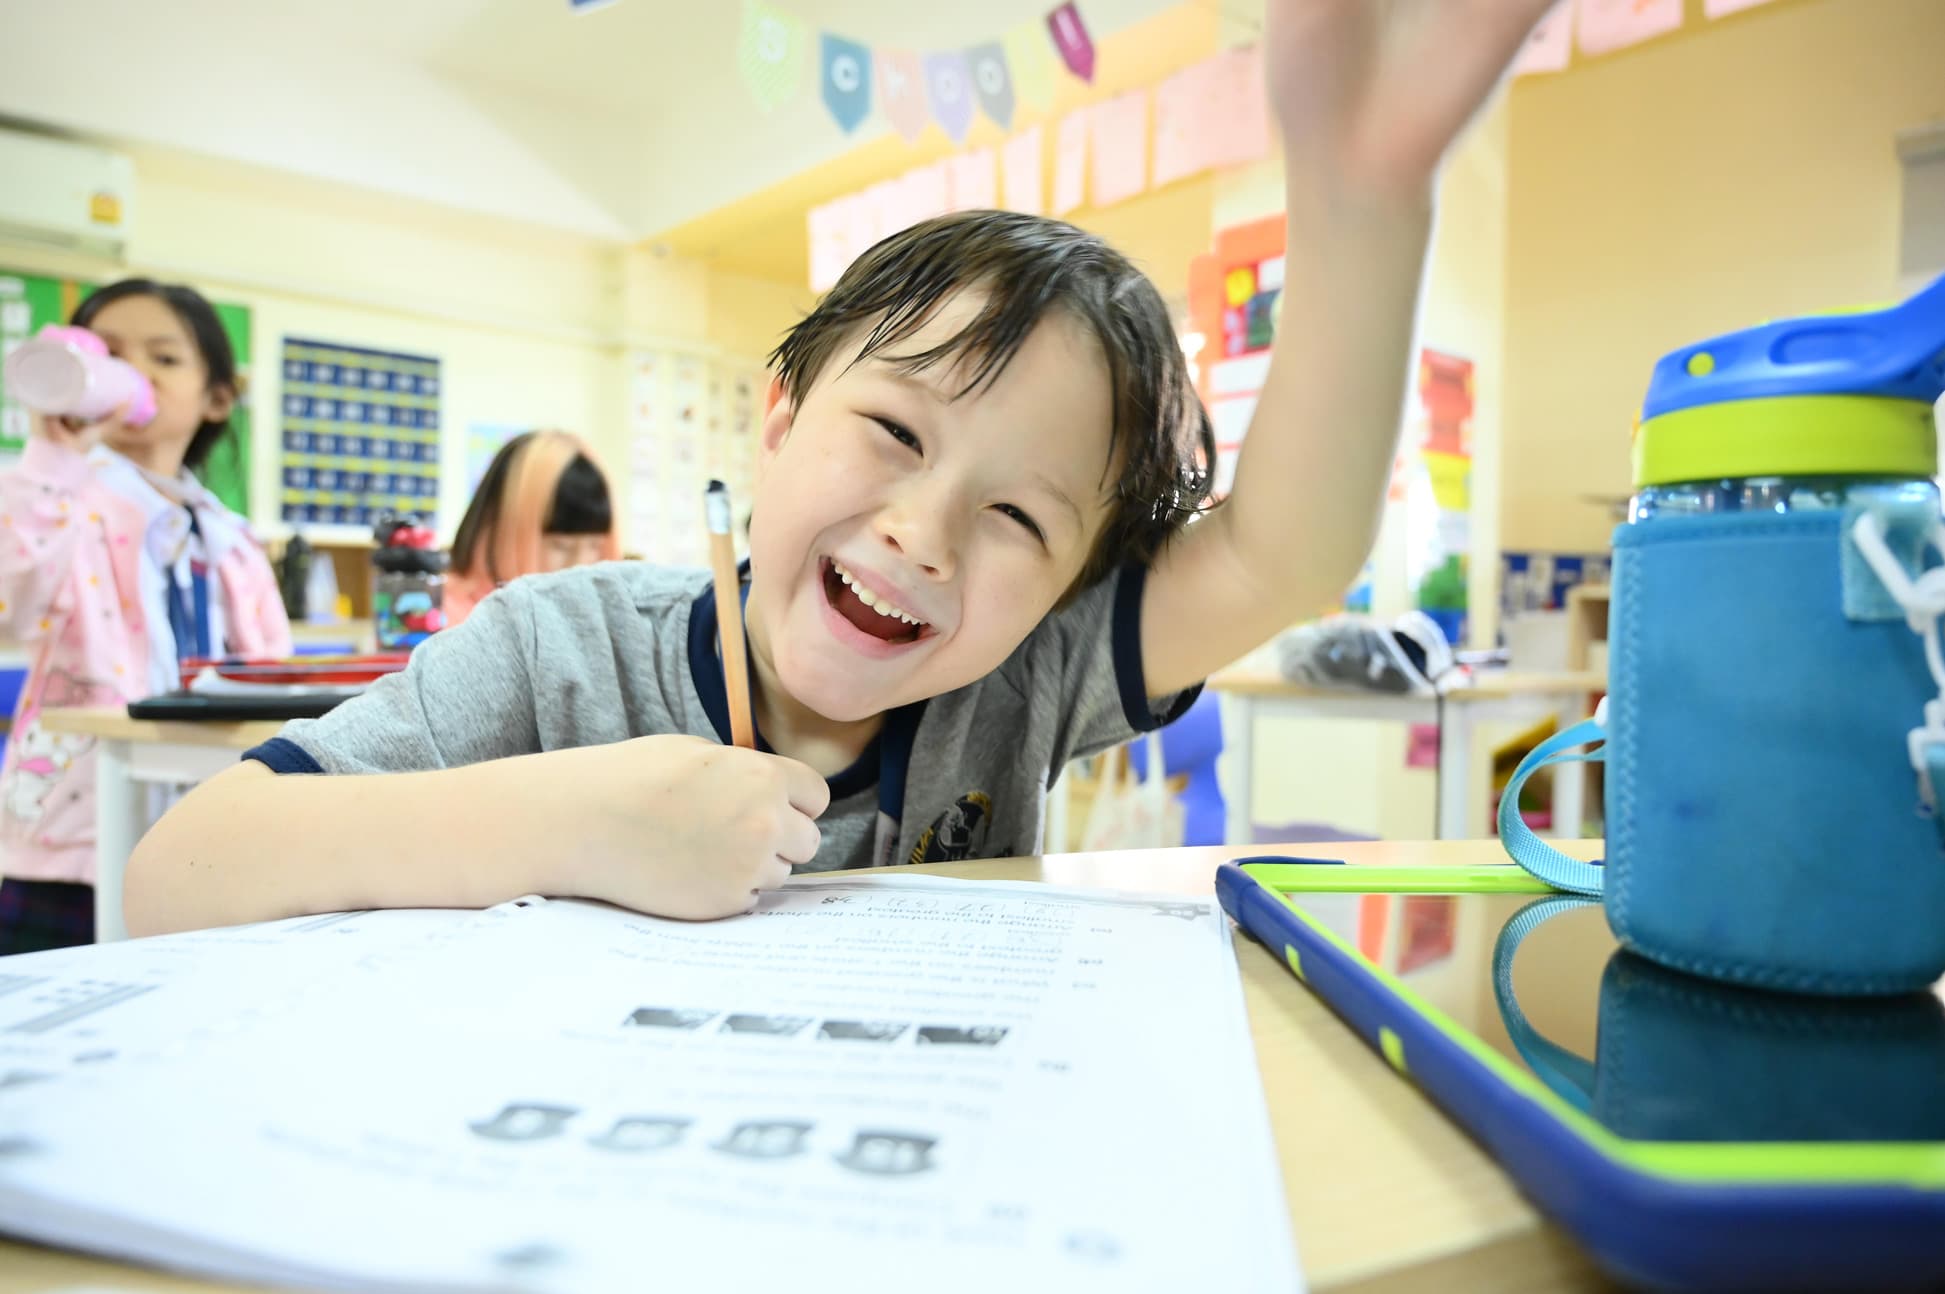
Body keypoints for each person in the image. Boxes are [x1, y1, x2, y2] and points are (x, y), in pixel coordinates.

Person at [125, 0, 1555, 934]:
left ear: (1069, 580)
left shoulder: (1019, 677)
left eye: (1017, 516)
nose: (927, 532)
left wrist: (1364, 199)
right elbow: (180, 872)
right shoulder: (554, 652)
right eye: (893, 431)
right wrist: (575, 818)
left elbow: (1281, 553)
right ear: (781, 413)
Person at [0, 279, 291, 953]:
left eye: (163, 357)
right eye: (110, 353)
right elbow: (17, 599)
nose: (132, 372)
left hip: (205, 835)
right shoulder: (60, 496)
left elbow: (271, 671)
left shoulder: (228, 534)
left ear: (217, 397)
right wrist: (53, 451)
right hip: (72, 844)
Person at [445, 430, 620, 626]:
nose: (581, 565)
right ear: (502, 531)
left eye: (595, 545)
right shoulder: (447, 624)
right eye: (560, 545)